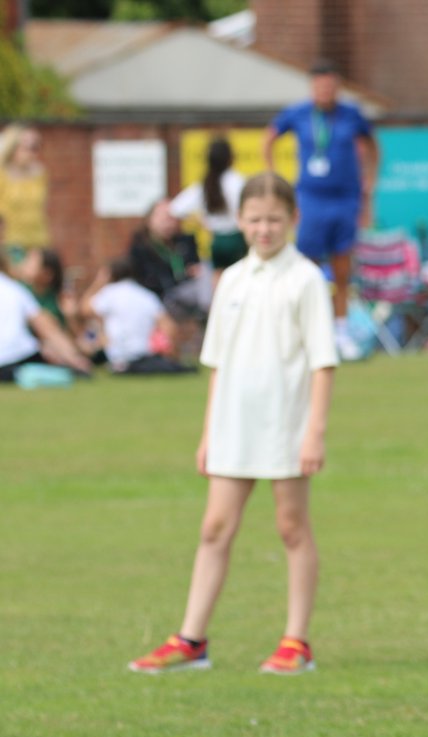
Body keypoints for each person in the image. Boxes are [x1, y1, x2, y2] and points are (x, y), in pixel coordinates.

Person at [128, 172, 338, 675]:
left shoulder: (305, 279)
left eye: (274, 220)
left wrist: (314, 430)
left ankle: (296, 643)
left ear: (293, 220)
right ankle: (191, 640)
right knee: (215, 527)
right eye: (254, 219)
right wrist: (208, 433)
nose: (263, 229)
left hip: (286, 423)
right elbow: (217, 363)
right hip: (233, 424)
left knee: (291, 527)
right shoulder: (232, 281)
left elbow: (322, 362)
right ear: (238, 221)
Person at [264, 58, 378, 360]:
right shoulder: (299, 114)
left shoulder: (351, 115)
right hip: (311, 199)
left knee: (342, 270)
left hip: (345, 198)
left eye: (330, 85)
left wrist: (369, 182)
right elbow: (270, 138)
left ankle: (341, 332)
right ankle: (305, 331)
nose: (325, 90)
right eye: (320, 85)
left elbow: (372, 145)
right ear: (313, 87)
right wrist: (276, 178)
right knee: (307, 270)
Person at [81, 258, 194, 375]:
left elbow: (84, 309)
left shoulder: (109, 293)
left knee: (92, 332)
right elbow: (170, 327)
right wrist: (174, 355)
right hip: (145, 355)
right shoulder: (147, 295)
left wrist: (98, 283)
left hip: (118, 358)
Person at [169, 137, 247, 292]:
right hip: (237, 238)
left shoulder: (205, 184)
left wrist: (203, 222)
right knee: (241, 279)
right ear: (230, 158)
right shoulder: (237, 181)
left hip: (217, 241)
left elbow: (176, 208)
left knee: (218, 282)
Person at [0, 257, 92, 382]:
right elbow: (46, 328)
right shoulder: (15, 290)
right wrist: (75, 359)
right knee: (46, 350)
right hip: (17, 357)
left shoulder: (18, 290)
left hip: (13, 358)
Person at [128, 199, 207, 328]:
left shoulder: (184, 241)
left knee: (207, 270)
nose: (168, 222)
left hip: (186, 294)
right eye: (162, 217)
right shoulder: (141, 247)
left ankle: (207, 314)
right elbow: (149, 278)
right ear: (149, 220)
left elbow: (195, 266)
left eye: (171, 217)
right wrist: (182, 274)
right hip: (158, 299)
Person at [0, 124, 50, 263]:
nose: (33, 152)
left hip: (38, 242)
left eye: (37, 147)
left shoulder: (40, 173)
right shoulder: (2, 174)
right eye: (29, 147)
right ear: (14, 147)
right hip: (10, 243)